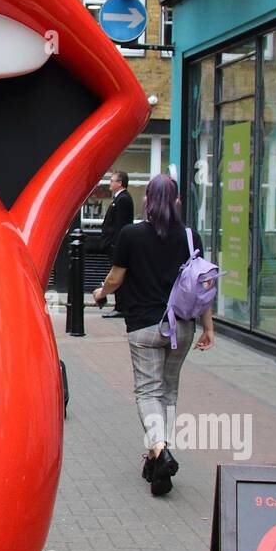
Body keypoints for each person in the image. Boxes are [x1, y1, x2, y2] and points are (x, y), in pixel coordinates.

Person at [92, 174, 214, 496]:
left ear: (147, 200)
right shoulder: (190, 236)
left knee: (148, 392)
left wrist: (100, 292)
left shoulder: (131, 235)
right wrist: (209, 328)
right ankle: (156, 459)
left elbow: (117, 278)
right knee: (168, 393)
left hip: (144, 326)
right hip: (182, 327)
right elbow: (202, 286)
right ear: (176, 201)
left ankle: (159, 448)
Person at [97, 170, 134, 319]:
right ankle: (119, 305)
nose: (110, 183)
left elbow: (121, 225)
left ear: (120, 183)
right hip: (113, 244)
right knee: (116, 275)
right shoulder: (118, 199)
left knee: (118, 276)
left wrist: (116, 244)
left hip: (117, 245)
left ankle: (120, 307)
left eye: (112, 181)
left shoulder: (123, 199)